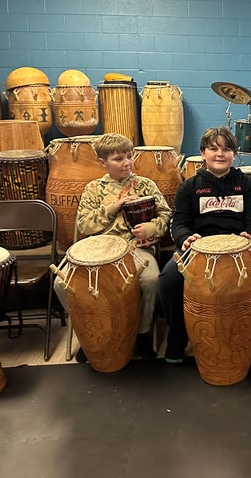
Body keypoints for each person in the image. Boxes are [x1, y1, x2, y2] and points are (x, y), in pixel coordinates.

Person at [159, 126, 251, 363]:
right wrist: (186, 239)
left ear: (234, 154)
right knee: (168, 279)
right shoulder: (189, 186)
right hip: (199, 248)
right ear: (203, 153)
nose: (220, 154)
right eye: (213, 149)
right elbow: (178, 222)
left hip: (242, 247)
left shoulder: (246, 184)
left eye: (226, 149)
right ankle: (178, 337)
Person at [55, 133, 171, 361]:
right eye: (118, 159)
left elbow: (166, 215)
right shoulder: (93, 189)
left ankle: (141, 334)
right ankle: (90, 331)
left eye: (129, 156)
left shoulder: (145, 185)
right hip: (97, 251)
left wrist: (149, 229)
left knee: (150, 280)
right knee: (61, 284)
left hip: (133, 249)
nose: (126, 162)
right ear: (103, 162)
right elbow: (84, 225)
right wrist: (114, 206)